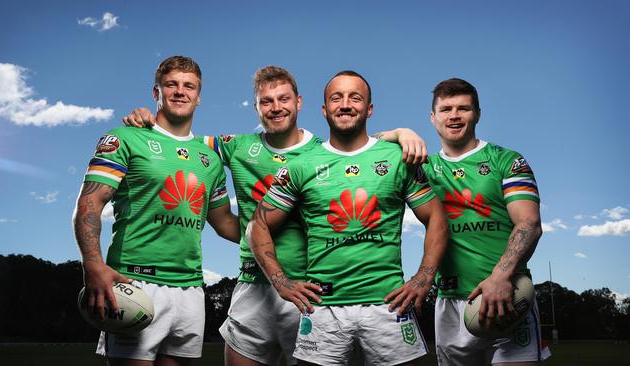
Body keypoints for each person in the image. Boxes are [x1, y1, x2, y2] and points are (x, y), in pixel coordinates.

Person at [122, 66, 430, 366]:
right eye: (266, 102)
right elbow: (181, 141)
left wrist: (399, 133)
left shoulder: (322, 151)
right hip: (254, 283)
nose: (275, 108)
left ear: (299, 103)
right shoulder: (236, 147)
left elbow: (361, 145)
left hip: (309, 289)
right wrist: (148, 120)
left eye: (283, 99)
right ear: (255, 107)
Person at [247, 71, 448, 366]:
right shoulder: (302, 165)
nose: (345, 104)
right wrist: (281, 282)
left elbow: (437, 219)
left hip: (388, 305)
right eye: (336, 98)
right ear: (324, 109)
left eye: (355, 97)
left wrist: (424, 278)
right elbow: (258, 225)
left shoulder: (396, 158)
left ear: (369, 109)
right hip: (323, 308)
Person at [73, 55, 239, 366]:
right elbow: (90, 202)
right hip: (134, 283)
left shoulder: (211, 159)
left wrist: (276, 236)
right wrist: (92, 266)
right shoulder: (126, 137)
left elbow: (225, 223)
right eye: (171, 84)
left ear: (199, 96)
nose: (180, 91)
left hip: (190, 290)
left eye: (189, 86)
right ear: (156, 92)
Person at [423, 78, 549, 365]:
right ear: (433, 118)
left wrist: (500, 277)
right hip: (450, 301)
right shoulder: (423, 168)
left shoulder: (506, 160)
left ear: (477, 113)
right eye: (445, 109)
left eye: (463, 108)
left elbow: (529, 224)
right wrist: (399, 133)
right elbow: (371, 149)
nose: (453, 115)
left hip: (508, 293)